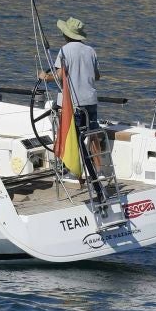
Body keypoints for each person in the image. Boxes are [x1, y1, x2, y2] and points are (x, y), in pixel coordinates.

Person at [47, 15, 110, 185]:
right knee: (92, 134)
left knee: (71, 137)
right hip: (90, 99)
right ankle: (99, 171)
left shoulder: (64, 51)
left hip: (72, 102)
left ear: (66, 35)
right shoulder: (90, 50)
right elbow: (97, 76)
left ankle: (74, 172)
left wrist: (44, 76)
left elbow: (58, 75)